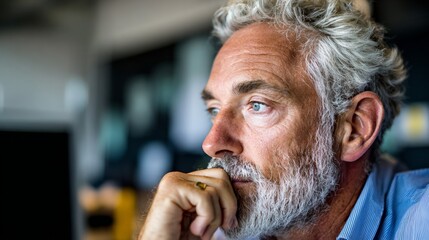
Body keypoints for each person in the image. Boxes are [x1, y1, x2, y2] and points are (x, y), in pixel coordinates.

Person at [138, 0, 429, 239]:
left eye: (257, 105)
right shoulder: (210, 229)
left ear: (354, 128)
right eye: (214, 110)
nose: (212, 144)